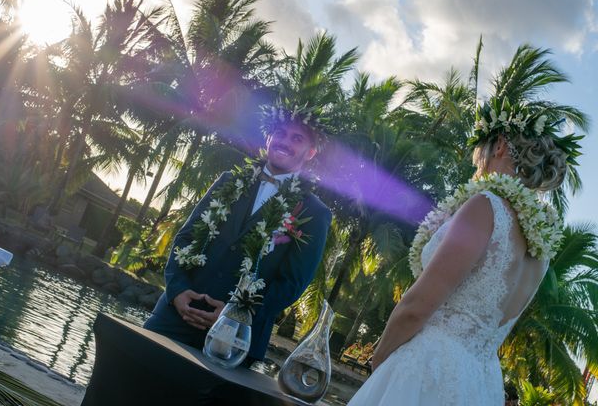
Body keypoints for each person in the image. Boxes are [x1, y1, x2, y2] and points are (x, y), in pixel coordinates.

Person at [348, 97, 582, 405]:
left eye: (480, 151)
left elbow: (418, 305)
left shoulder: (486, 206)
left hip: (428, 367)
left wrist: (380, 362)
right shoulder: (541, 244)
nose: (478, 162)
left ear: (499, 145)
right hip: (480, 382)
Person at [144, 101, 332, 366]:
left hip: (235, 339)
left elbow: (291, 284)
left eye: (297, 138)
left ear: (310, 152)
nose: (284, 142)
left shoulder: (315, 213)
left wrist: (235, 314)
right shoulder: (228, 180)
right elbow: (184, 239)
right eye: (279, 133)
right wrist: (177, 290)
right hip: (175, 315)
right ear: (269, 137)